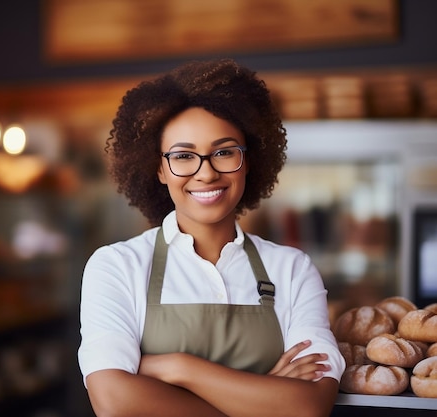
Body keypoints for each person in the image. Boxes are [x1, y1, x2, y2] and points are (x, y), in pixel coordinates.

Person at [78, 58, 345, 417]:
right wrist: (262, 397)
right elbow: (114, 402)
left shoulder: (292, 270)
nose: (206, 173)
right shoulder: (116, 267)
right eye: (184, 156)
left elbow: (308, 407)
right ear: (158, 168)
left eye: (223, 152)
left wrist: (178, 367)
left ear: (248, 160)